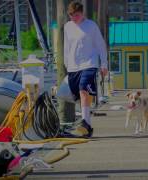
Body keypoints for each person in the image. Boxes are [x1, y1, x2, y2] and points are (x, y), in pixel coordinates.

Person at [64, 1, 108, 138]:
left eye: (76, 15)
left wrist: (104, 64)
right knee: (80, 95)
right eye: (71, 15)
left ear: (82, 13)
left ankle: (84, 122)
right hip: (73, 66)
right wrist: (67, 65)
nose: (73, 17)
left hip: (89, 63)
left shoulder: (91, 26)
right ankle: (87, 126)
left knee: (84, 89)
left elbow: (101, 45)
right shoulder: (67, 26)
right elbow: (66, 47)